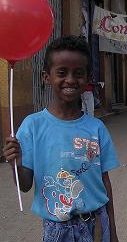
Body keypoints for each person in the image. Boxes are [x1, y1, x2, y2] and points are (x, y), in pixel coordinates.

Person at [2, 36, 120, 242]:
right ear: (46, 77)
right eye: (62, 72)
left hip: (97, 225)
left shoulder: (96, 127)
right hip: (57, 231)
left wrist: (113, 230)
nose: (71, 80)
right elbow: (25, 185)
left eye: (79, 73)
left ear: (88, 78)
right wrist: (16, 163)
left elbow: (105, 182)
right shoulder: (32, 126)